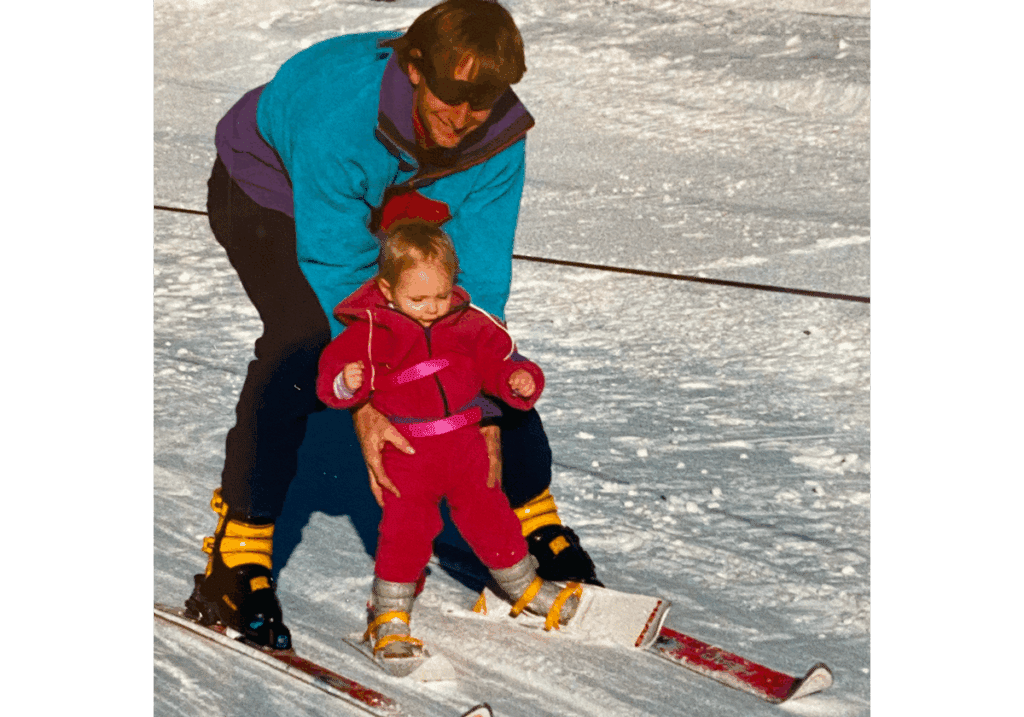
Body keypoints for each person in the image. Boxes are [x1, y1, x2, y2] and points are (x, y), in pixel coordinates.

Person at [184, 0, 599, 651]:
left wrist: (486, 407)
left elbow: (481, 289)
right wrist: (367, 396)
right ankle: (238, 554)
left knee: (464, 336)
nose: (462, 119)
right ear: (413, 67)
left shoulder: (496, 139)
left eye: (481, 101)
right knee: (303, 339)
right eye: (451, 95)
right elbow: (335, 269)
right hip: (267, 186)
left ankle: (531, 522)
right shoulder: (339, 116)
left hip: (391, 188)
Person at [316, 220, 581, 669]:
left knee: (491, 515)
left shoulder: (469, 323)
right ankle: (389, 613)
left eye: (440, 296)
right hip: (407, 452)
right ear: (386, 288)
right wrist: (347, 382)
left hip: (464, 447)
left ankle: (523, 586)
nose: (431, 309)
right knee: (406, 532)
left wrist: (516, 379)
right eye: (417, 299)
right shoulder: (370, 330)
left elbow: (499, 361)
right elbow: (330, 378)